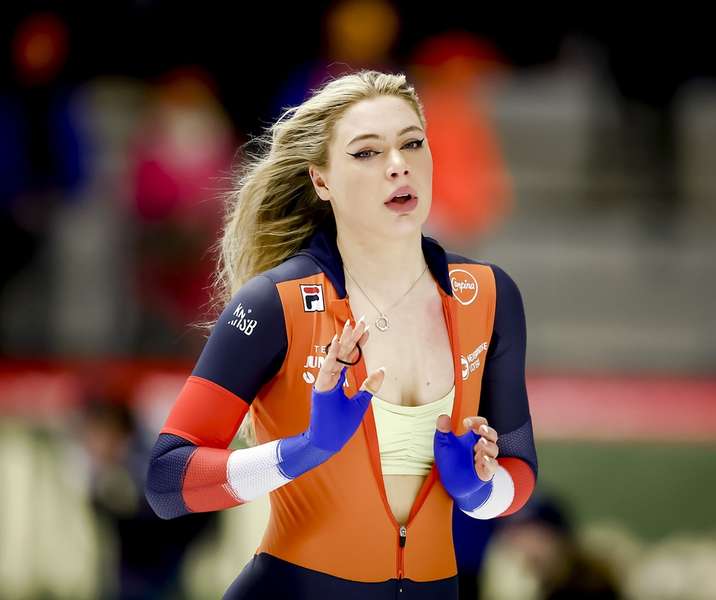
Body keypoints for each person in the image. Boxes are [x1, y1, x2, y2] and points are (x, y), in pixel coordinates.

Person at [144, 70, 538, 599]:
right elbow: (167, 482)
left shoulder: (488, 296)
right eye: (366, 153)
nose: (398, 164)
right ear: (321, 180)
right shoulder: (276, 304)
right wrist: (306, 449)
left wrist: (478, 489)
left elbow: (520, 470)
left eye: (412, 143)